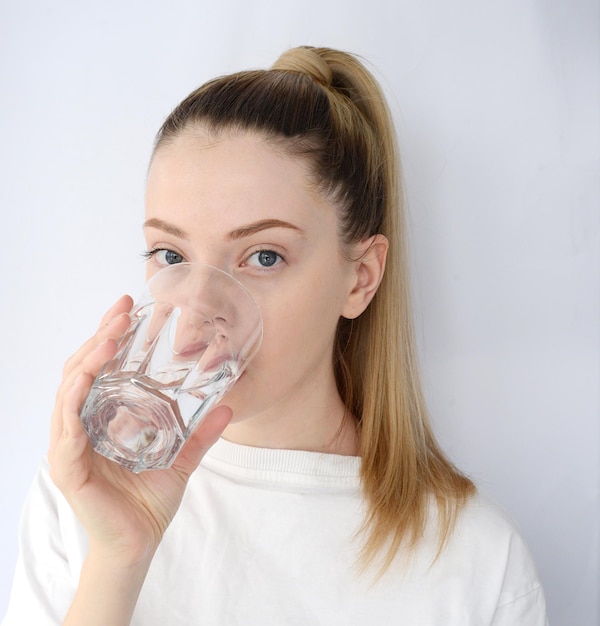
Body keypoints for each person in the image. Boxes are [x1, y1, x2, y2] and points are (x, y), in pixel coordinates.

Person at [3, 46, 548, 625]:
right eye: (171, 254)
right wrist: (120, 558)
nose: (196, 313)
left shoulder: (475, 561)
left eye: (263, 256)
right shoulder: (84, 492)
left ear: (359, 279)